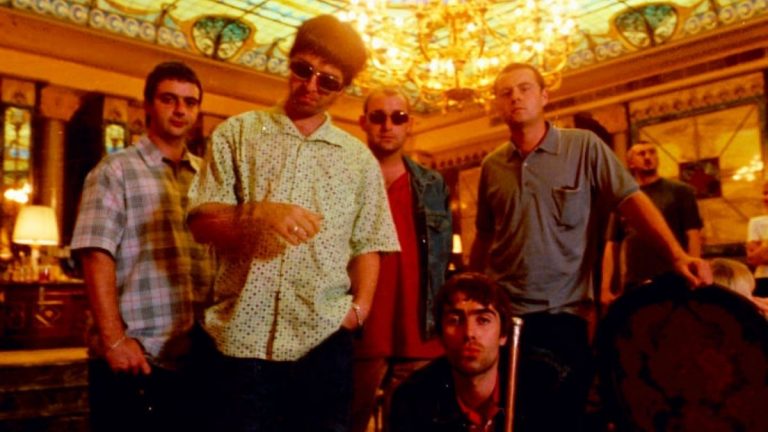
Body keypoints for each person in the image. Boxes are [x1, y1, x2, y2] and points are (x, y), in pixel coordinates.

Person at [468, 62, 712, 431]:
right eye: (506, 92)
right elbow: (485, 235)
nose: (515, 97)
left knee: (565, 418)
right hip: (502, 313)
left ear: (544, 96)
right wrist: (471, 291)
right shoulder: (492, 165)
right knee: (510, 418)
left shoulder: (583, 147)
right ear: (498, 106)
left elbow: (631, 200)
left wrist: (678, 256)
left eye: (525, 88)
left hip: (563, 312)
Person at [186, 15, 400, 432]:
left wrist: (357, 312)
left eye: (328, 81)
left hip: (322, 344)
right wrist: (257, 213)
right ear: (290, 62)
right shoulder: (237, 134)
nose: (310, 85)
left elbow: (368, 245)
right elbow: (200, 224)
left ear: (343, 89)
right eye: (303, 69)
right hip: (240, 342)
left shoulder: (358, 161)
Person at [70, 61, 213, 432]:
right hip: (137, 356)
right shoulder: (114, 170)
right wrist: (114, 341)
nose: (180, 110)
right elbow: (95, 254)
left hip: (196, 356)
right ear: (148, 104)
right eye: (169, 99)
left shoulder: (207, 178)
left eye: (190, 102)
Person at [351, 87, 452, 432]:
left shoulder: (432, 184)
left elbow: (442, 259)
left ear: (410, 124)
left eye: (398, 117)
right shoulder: (345, 178)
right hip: (360, 327)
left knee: (415, 424)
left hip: (420, 329)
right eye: (378, 117)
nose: (388, 126)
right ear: (363, 122)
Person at [390, 272, 513, 432]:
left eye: (483, 320)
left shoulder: (540, 390)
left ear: (503, 334)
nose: (469, 333)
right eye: (455, 320)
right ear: (440, 335)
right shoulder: (412, 399)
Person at [601, 140, 703, 304]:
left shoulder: (680, 192)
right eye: (641, 154)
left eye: (652, 152)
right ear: (631, 163)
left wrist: (694, 272)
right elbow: (612, 243)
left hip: (673, 277)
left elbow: (693, 234)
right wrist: (605, 287)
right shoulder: (624, 198)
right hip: (635, 280)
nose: (648, 157)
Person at [746, 180, 768, 297]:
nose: (766, 198)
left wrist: (763, 243)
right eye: (765, 193)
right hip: (764, 280)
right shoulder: (756, 222)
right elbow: (753, 259)